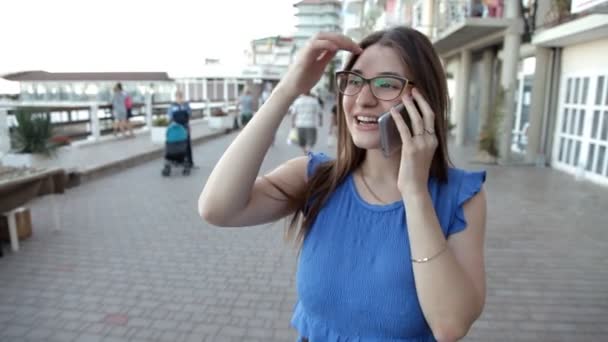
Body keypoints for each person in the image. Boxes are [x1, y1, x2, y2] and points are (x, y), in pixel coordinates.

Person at [198, 27, 487, 342]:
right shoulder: (317, 177)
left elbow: (451, 325)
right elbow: (217, 209)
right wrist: (287, 90)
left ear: (425, 99)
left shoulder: (460, 196)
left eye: (387, 84)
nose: (363, 100)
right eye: (354, 81)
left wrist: (415, 191)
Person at [167, 91, 193, 167]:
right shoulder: (172, 106)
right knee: (176, 144)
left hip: (185, 127)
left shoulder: (186, 105)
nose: (179, 98)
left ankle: (189, 161)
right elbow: (169, 116)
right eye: (177, 97)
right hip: (175, 127)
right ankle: (177, 160)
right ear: (175, 97)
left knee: (187, 144)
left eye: (180, 96)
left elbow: (189, 114)